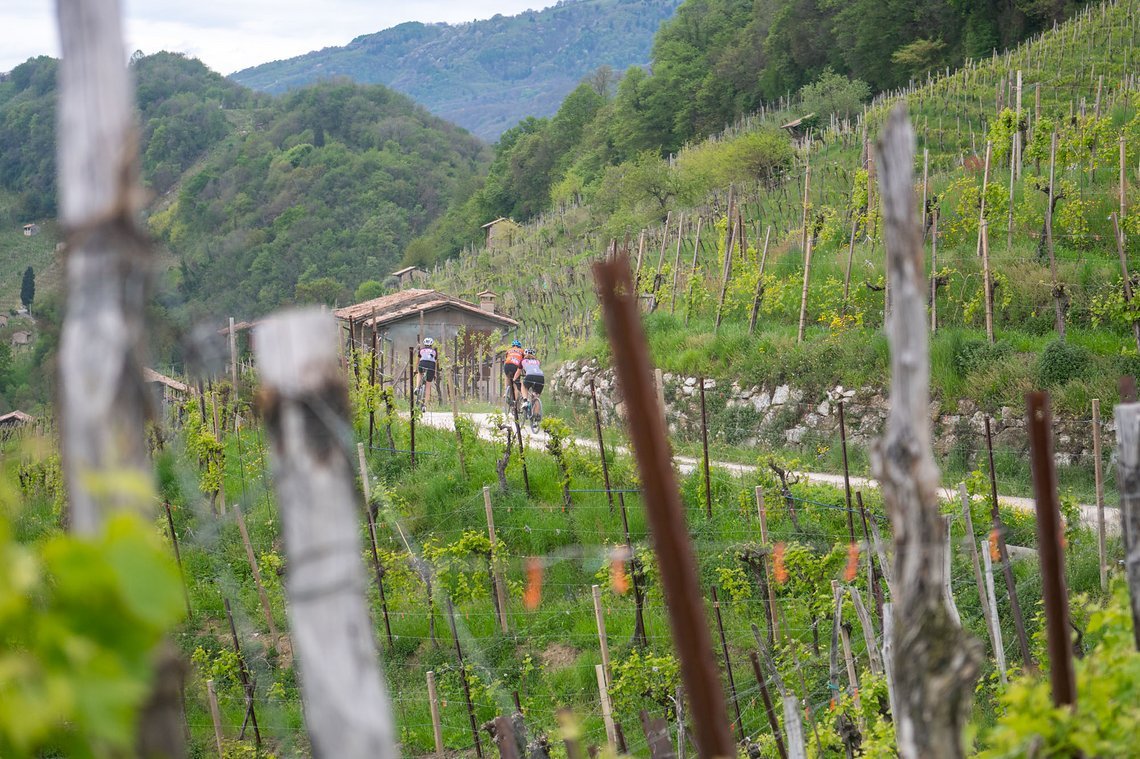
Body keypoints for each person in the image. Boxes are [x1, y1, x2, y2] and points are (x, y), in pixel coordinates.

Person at [503, 339, 525, 406]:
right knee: (515, 385)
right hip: (515, 366)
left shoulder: (508, 351)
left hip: (507, 365)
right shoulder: (522, 351)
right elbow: (523, 363)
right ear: (519, 346)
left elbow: (507, 358)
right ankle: (515, 402)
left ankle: (506, 391)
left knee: (507, 377)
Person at [417, 337, 438, 404]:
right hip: (431, 365)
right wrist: (435, 374)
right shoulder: (434, 351)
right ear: (431, 344)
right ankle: (425, 404)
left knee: (419, 373)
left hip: (422, 363)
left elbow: (418, 361)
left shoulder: (421, 350)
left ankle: (417, 388)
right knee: (428, 385)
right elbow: (435, 363)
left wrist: (415, 369)